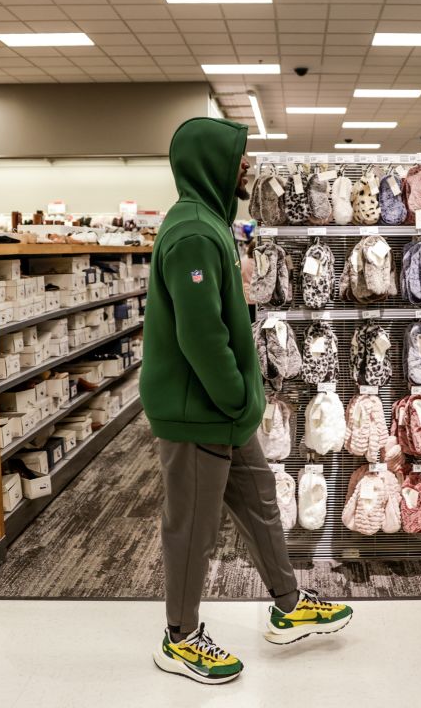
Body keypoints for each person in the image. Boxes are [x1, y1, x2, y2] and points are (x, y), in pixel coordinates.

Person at [139, 117, 353, 685]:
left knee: (260, 501)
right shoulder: (191, 233)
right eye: (238, 158)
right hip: (198, 410)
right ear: (210, 161)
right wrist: (238, 395)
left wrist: (242, 402)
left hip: (224, 410)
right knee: (192, 529)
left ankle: (288, 604)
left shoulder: (209, 223)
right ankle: (179, 638)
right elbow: (200, 335)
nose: (246, 167)